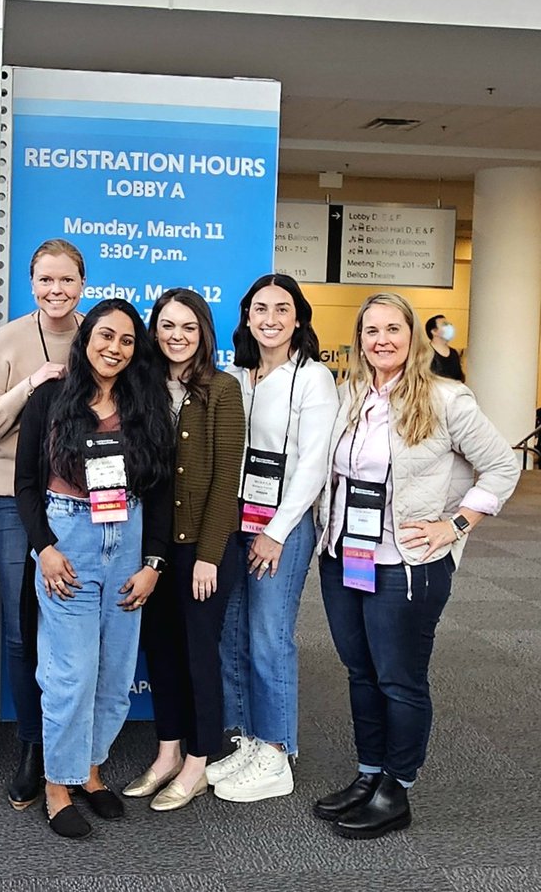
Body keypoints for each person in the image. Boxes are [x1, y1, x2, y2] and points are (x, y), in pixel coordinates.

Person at [313, 292, 518, 838]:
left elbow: (502, 467)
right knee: (360, 673)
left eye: (392, 329)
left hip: (407, 564)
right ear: (359, 339)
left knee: (399, 680)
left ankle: (396, 789)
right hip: (344, 556)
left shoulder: (449, 399)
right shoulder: (349, 393)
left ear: (413, 336)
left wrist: (455, 525)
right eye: (371, 330)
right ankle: (369, 773)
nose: (381, 339)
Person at [15, 299, 173, 839]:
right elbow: (26, 486)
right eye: (105, 336)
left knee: (113, 675)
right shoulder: (50, 399)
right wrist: (45, 548)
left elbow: (160, 490)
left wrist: (153, 563)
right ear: (85, 340)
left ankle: (89, 772)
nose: (115, 348)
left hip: (127, 540)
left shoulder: (144, 403)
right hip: (70, 541)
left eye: (127, 340)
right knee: (70, 674)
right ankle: (57, 787)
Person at [0, 238, 85, 811]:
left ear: (82, 284)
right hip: (16, 501)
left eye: (66, 281)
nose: (56, 291)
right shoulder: (7, 341)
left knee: (76, 632)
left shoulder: (99, 336)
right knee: (20, 630)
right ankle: (33, 746)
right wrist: (29, 386)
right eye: (45, 281)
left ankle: (75, 747)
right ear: (30, 283)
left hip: (86, 507)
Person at [211, 274, 338, 802]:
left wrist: (276, 531)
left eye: (281, 309)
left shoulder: (314, 379)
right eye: (259, 308)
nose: (269, 318)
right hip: (234, 523)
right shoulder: (237, 375)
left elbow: (313, 465)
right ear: (246, 317)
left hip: (280, 530)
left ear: (298, 318)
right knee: (231, 635)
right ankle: (246, 739)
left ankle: (278, 751)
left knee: (268, 637)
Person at [123, 289, 244, 811]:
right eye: (167, 326)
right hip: (154, 550)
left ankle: (199, 760)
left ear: (204, 333)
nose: (176, 336)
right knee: (163, 654)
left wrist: (210, 555)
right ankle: (168, 751)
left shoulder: (224, 389)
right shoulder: (142, 391)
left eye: (188, 327)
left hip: (202, 550)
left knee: (199, 656)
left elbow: (225, 483)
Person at [424, 314, 464, 382]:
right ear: (434, 331)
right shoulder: (424, 353)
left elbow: (459, 379)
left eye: (450, 324)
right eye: (445, 324)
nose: (450, 327)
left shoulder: (454, 353)